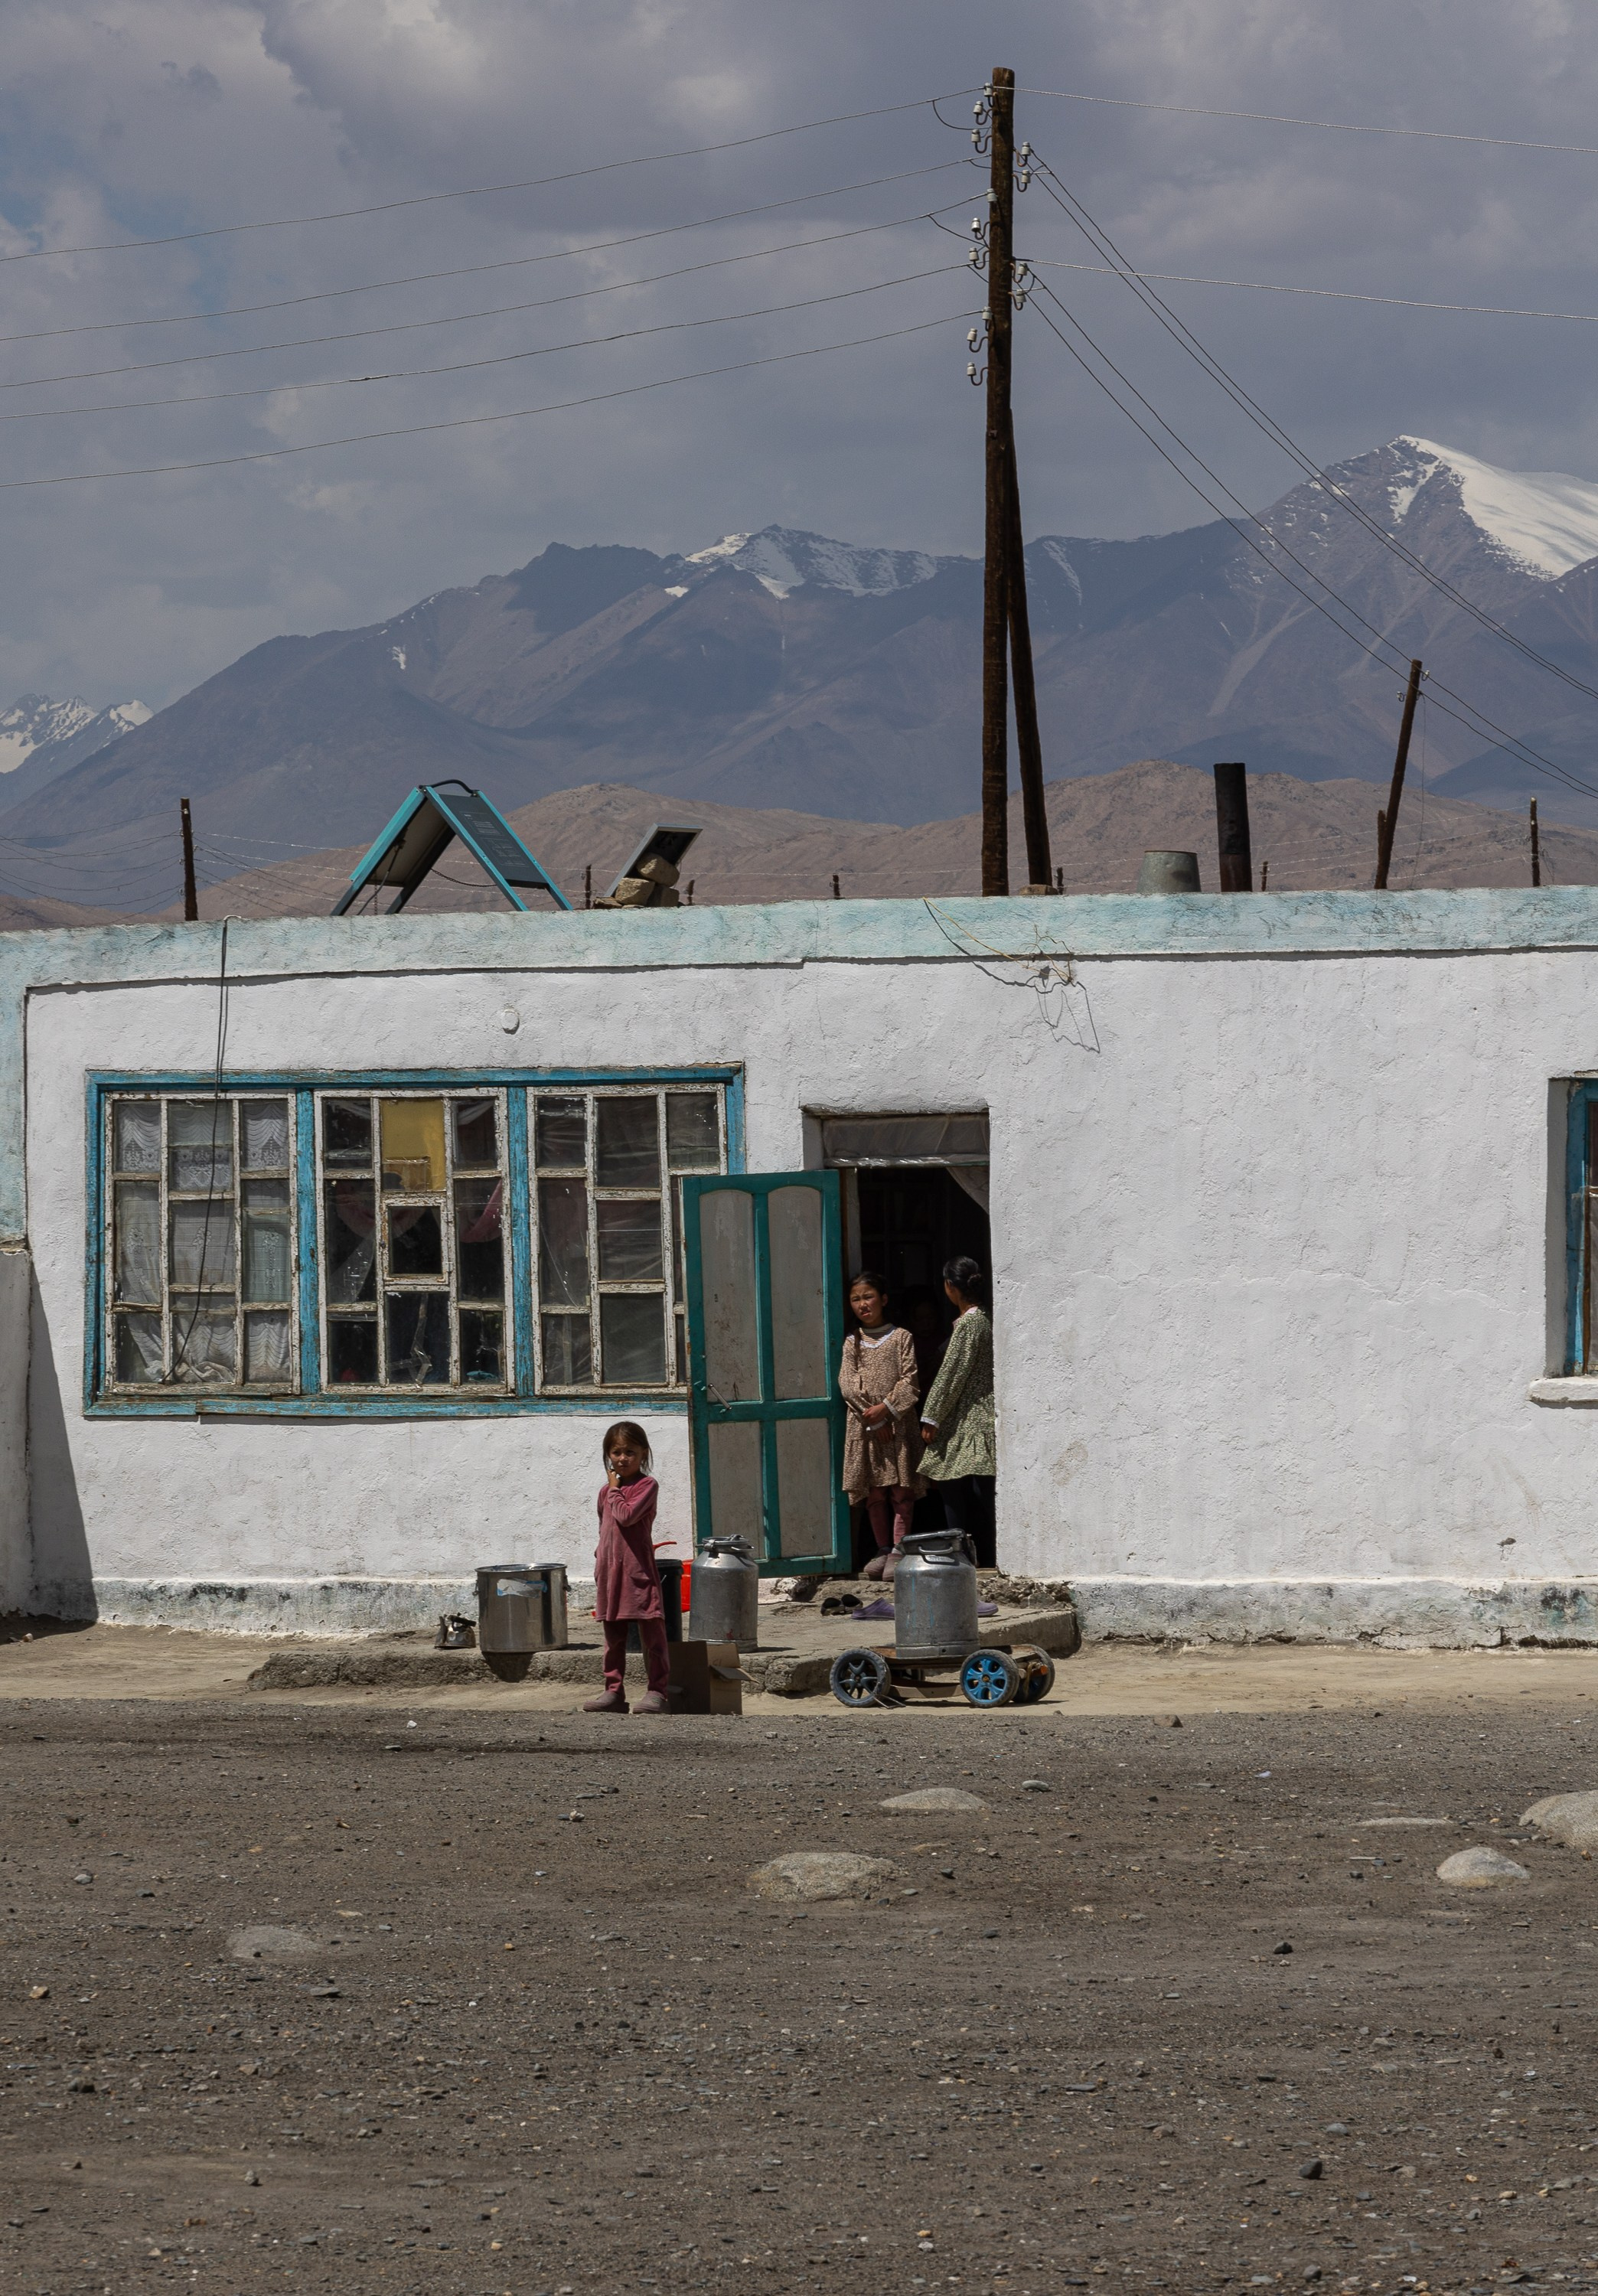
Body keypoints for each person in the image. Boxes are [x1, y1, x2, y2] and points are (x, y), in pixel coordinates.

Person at [582, 1421, 673, 1715]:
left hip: (638, 1571)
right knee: (613, 1638)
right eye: (616, 1452)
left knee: (653, 1635)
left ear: (644, 1453)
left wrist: (614, 1489)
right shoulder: (605, 1493)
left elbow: (626, 1516)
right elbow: (605, 1529)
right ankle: (613, 1692)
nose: (623, 1459)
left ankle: (658, 1691)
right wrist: (601, 1560)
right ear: (608, 1455)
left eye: (630, 1452)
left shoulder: (647, 1486)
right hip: (611, 1573)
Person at [838, 1270, 924, 1579]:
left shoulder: (902, 1338)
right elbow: (848, 1384)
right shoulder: (852, 1342)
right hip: (866, 1427)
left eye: (868, 1297)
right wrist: (873, 1419)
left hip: (898, 1425)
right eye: (856, 1299)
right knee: (875, 1491)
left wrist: (886, 1410)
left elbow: (910, 1380)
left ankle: (900, 1548)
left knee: (901, 1490)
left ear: (884, 1299)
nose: (863, 1304)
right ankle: (883, 1548)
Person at [918, 1257, 996, 1567]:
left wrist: (932, 1416)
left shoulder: (968, 1323)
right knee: (979, 1488)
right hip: (978, 1414)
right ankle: (982, 1553)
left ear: (950, 1286)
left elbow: (952, 1374)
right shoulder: (984, 1317)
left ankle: (962, 1554)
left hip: (970, 1416)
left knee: (954, 1484)